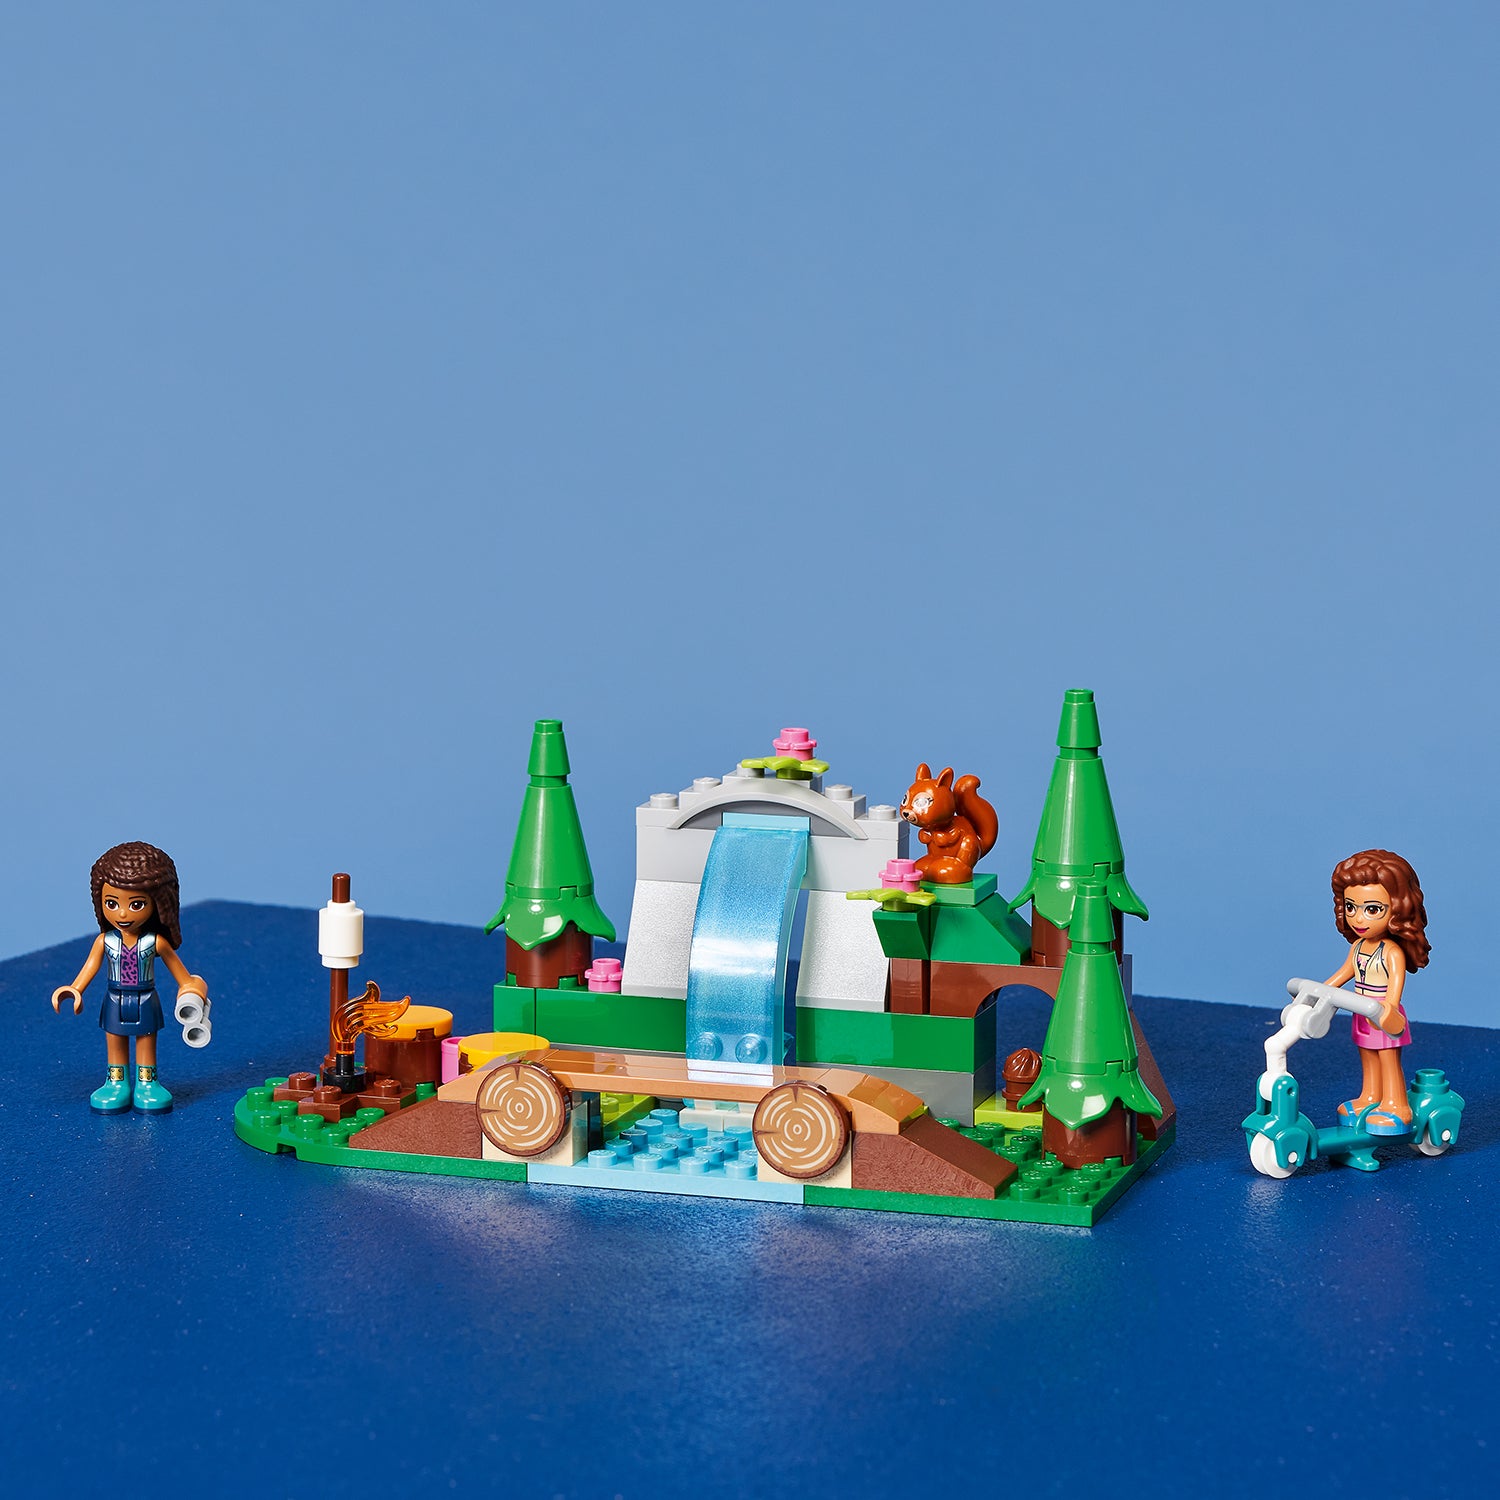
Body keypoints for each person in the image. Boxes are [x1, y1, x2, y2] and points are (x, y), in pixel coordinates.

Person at [51, 842, 208, 1113]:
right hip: (114, 997)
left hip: (145, 997)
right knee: (115, 1037)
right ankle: (116, 1082)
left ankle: (147, 1083)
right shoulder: (105, 941)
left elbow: (183, 976)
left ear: (157, 904)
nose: (122, 914)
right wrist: (75, 988)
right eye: (112, 903)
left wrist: (192, 989)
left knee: (146, 1038)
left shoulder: (155, 942)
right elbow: (90, 966)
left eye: (136, 904)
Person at [1324, 849, 1430, 1135]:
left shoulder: (1391, 951)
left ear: (1397, 909)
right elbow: (1343, 974)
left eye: (1372, 909)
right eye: (1351, 907)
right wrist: (1319, 993)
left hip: (1382, 1013)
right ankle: (1370, 1097)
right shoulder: (1358, 947)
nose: (1358, 918)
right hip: (1360, 1011)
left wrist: (1388, 1010)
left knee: (1388, 1059)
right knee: (1367, 1056)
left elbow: (1395, 987)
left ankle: (1397, 1105)